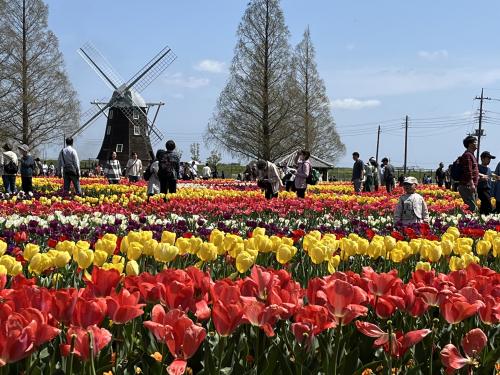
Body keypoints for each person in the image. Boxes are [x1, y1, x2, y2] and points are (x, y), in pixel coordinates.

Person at [457, 136, 479, 212]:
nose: (477, 143)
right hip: (467, 186)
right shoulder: (467, 155)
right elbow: (468, 171)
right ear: (470, 144)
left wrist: (481, 176)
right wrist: (472, 184)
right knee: (472, 209)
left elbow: (473, 170)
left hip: (470, 186)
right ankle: (468, 223)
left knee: (473, 208)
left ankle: (469, 222)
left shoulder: (471, 155)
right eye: (475, 142)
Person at [477, 151, 495, 215]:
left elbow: (490, 178)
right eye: (488, 158)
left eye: (490, 159)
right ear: (482, 158)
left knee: (484, 207)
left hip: (488, 190)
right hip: (481, 190)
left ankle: (482, 220)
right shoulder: (478, 167)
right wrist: (481, 179)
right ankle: (488, 219)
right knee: (488, 206)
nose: (489, 160)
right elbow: (474, 179)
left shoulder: (489, 169)